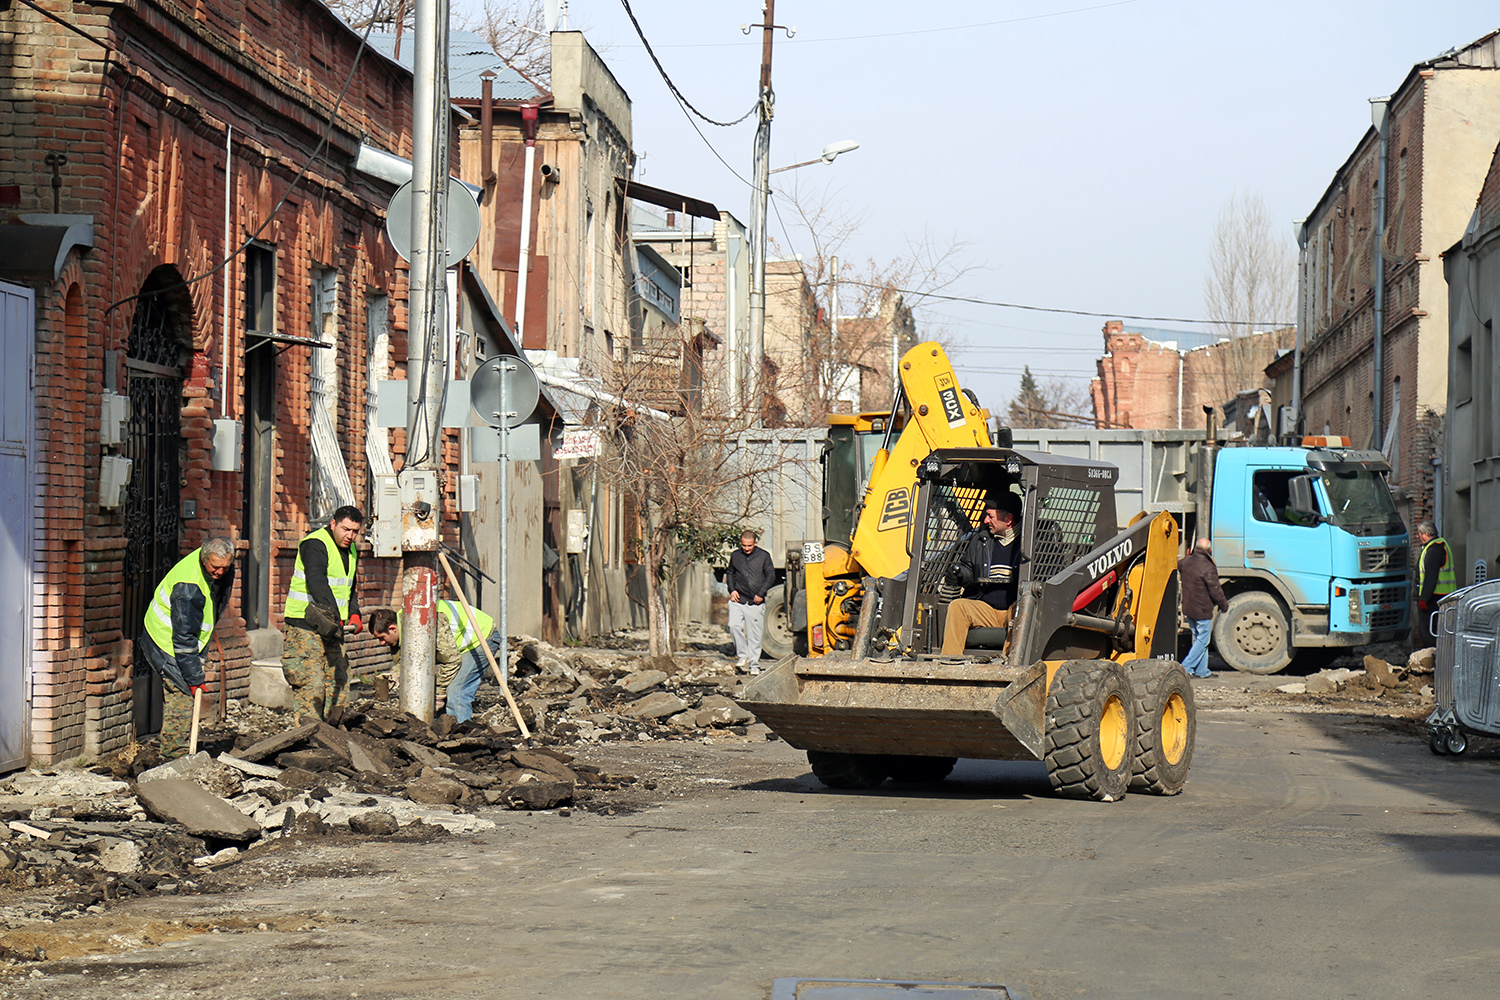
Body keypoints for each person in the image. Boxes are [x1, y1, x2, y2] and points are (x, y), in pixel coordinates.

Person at [136, 538, 236, 760]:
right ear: (203, 558)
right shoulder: (188, 588)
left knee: (183, 690)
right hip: (165, 639)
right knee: (181, 694)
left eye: (225, 567)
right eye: (215, 567)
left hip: (182, 638)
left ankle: (176, 752)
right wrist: (194, 678)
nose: (220, 572)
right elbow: (183, 640)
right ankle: (174, 756)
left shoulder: (216, 567)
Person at [282, 505, 364, 721]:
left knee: (339, 681)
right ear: (333, 524)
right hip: (304, 624)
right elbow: (317, 581)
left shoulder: (352, 550)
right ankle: (307, 740)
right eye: (346, 529)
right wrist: (336, 617)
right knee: (312, 685)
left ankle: (333, 737)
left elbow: (349, 588)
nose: (350, 536)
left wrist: (355, 613)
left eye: (355, 531)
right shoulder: (315, 544)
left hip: (332, 626)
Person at [368, 599, 503, 722]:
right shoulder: (405, 625)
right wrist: (392, 676)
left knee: (456, 691)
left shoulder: (428, 622)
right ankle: (444, 726)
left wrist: (439, 693)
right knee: (438, 686)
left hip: (481, 637)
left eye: (382, 638)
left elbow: (452, 660)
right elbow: (407, 660)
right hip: (458, 645)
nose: (381, 643)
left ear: (392, 629)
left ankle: (461, 734)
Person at [940, 492, 1023, 656]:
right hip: (987, 610)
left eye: (990, 516)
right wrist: (960, 575)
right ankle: (949, 662)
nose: (985, 521)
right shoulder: (981, 540)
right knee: (958, 606)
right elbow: (968, 568)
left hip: (1014, 607)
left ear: (1008, 519)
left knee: (1022, 609)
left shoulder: (1033, 543)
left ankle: (1008, 664)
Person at [1179, 537, 1229, 678]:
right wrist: (1224, 605)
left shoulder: (1185, 562)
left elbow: (1176, 566)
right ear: (1210, 550)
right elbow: (1215, 589)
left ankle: (1202, 671)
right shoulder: (1208, 567)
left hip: (1189, 608)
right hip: (1202, 610)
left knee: (1198, 639)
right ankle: (1185, 667)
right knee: (1203, 640)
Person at [725, 529, 774, 671]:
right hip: (738, 599)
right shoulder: (735, 556)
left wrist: (761, 593)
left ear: (755, 543)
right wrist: (732, 590)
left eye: (749, 546)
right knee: (733, 626)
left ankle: (754, 665)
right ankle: (742, 655)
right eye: (744, 545)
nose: (746, 548)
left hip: (755, 602)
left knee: (754, 635)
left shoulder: (764, 556)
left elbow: (770, 576)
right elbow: (730, 573)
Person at [1415, 520, 1455, 649]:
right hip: (1441, 597)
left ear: (1426, 534)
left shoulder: (1434, 549)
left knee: (1429, 633)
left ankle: (1433, 660)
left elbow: (1430, 577)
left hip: (1433, 599)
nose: (1417, 536)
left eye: (1419, 534)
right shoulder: (1439, 545)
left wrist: (1423, 599)